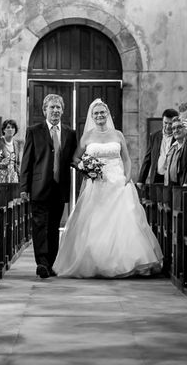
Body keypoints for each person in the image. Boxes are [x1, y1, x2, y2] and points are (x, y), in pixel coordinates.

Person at [53, 99, 163, 278]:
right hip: (96, 184)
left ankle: (127, 262)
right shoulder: (87, 136)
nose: (99, 116)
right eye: (95, 113)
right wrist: (86, 168)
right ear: (92, 116)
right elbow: (75, 159)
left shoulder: (118, 134)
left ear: (108, 114)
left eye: (102, 113)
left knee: (124, 221)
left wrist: (127, 177)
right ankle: (95, 262)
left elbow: (126, 158)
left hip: (118, 182)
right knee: (95, 222)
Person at [20, 94, 77, 279]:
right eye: (52, 107)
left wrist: (90, 167)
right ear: (45, 110)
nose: (55, 111)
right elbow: (26, 161)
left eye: (58, 107)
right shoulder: (34, 130)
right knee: (39, 225)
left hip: (59, 187)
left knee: (53, 227)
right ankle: (42, 263)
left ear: (63, 110)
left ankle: (52, 264)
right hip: (39, 186)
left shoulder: (70, 133)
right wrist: (24, 187)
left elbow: (73, 160)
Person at [136, 108, 179, 189]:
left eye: (171, 123)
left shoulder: (179, 136)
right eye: (165, 123)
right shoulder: (154, 136)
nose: (168, 126)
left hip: (173, 178)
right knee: (155, 201)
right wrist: (141, 180)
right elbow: (147, 159)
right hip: (157, 176)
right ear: (162, 121)